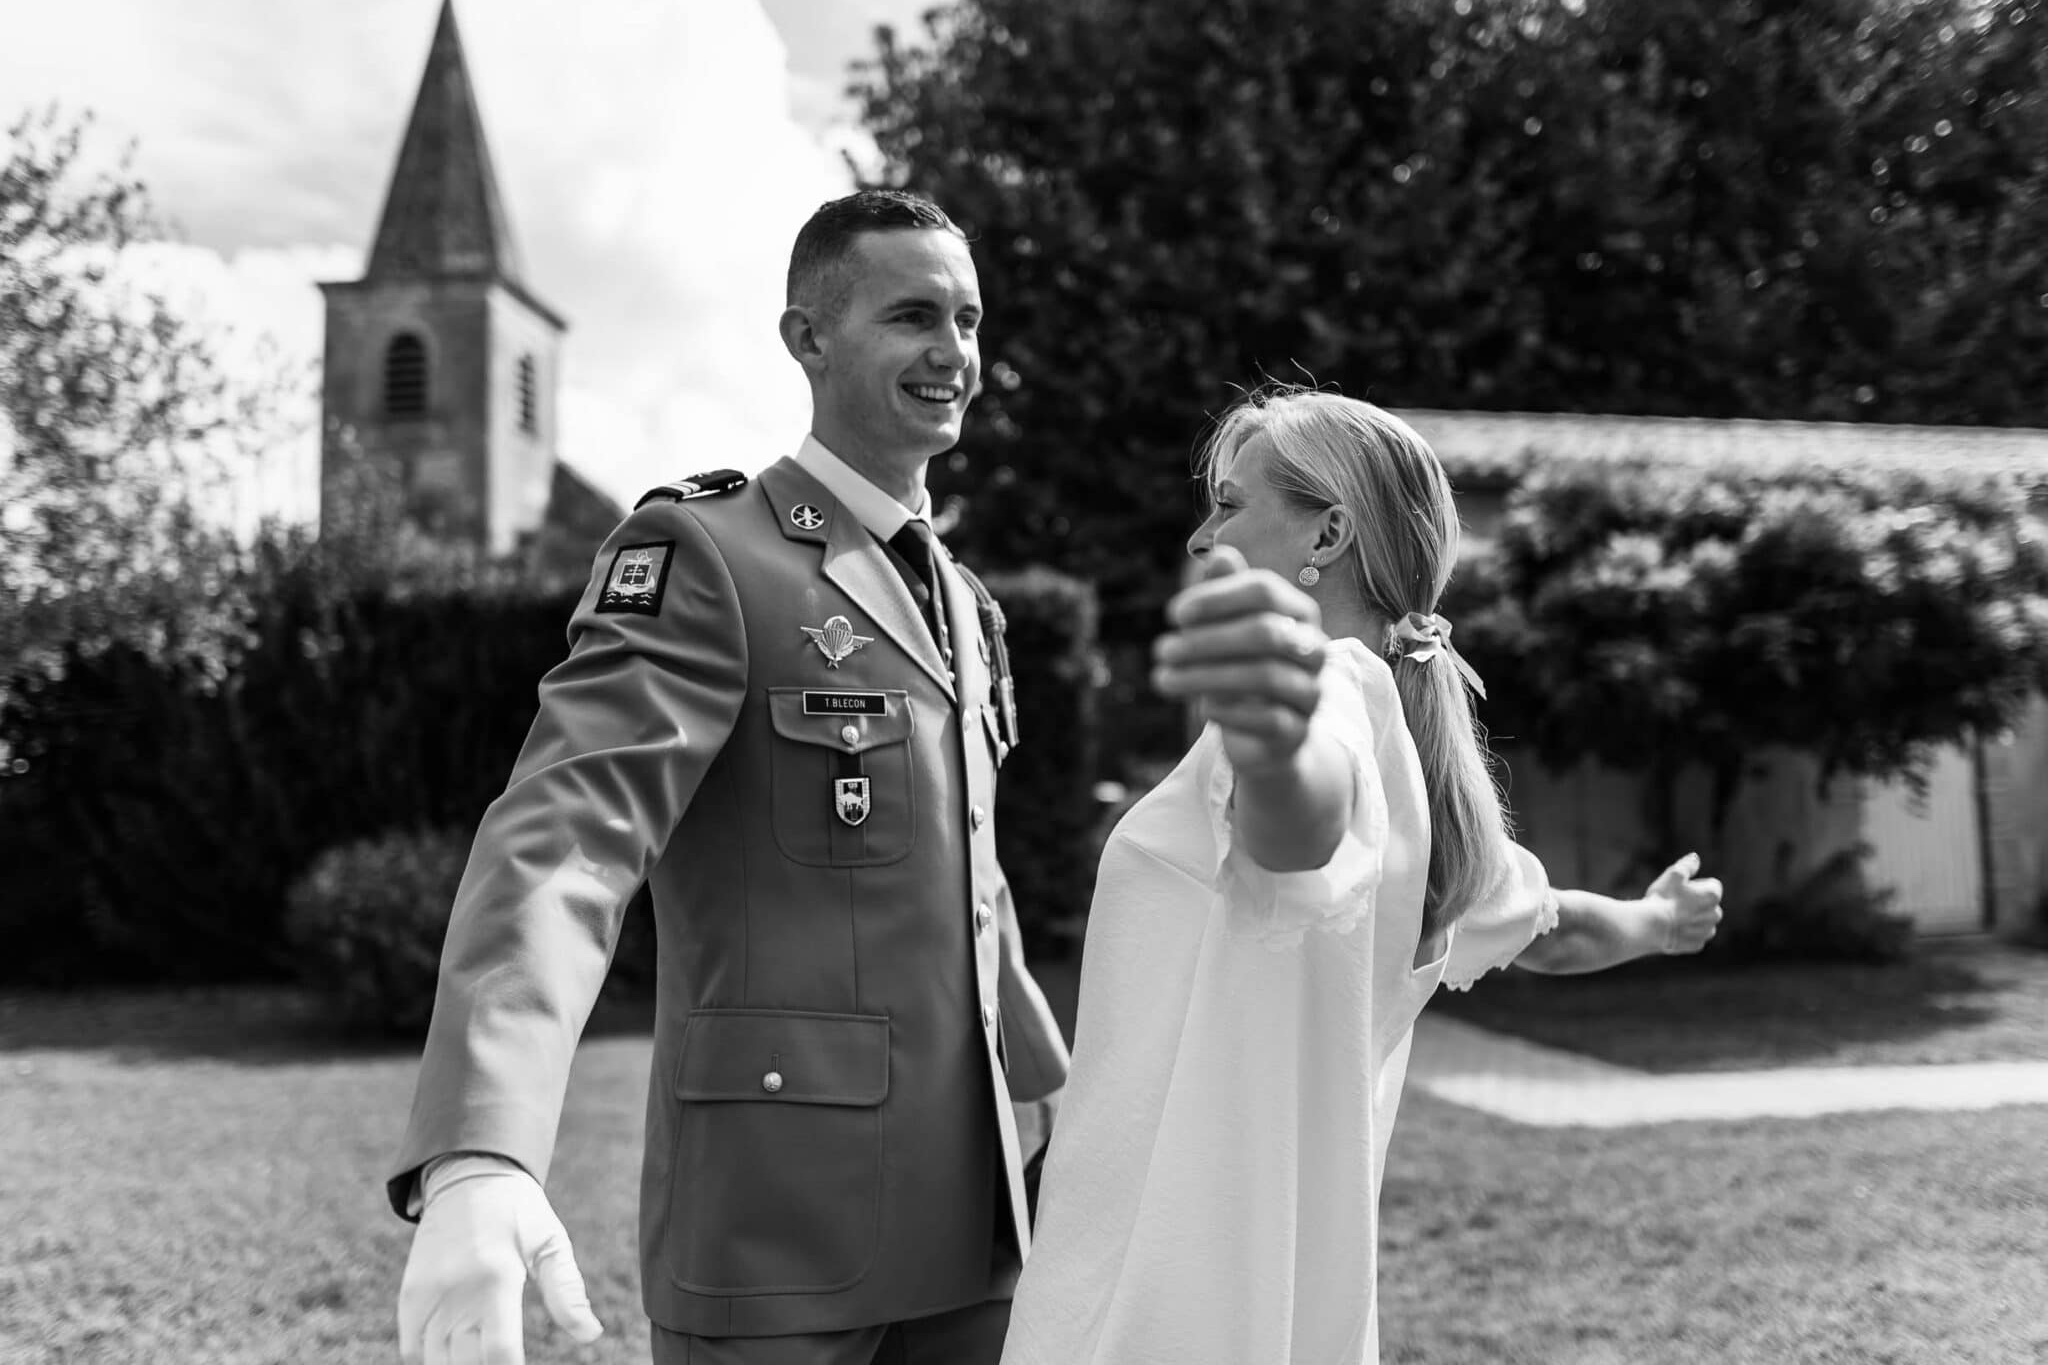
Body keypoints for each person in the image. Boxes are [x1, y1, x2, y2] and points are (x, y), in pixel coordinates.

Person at [390, 189, 1069, 1365]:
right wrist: (481, 1146)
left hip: (976, 1222)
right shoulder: (707, 554)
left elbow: (970, 871)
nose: (953, 354)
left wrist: (1052, 1086)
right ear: (807, 339)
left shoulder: (964, 603)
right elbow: (567, 837)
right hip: (775, 1232)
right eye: (912, 317)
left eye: (966, 321)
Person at [998, 387, 1722, 1365]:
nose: (1198, 532)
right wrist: (1653, 921)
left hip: (1162, 1291)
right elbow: (1554, 930)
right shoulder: (1418, 763)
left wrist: (1266, 734)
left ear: (1327, 532)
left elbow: (1299, 833)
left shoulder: (1331, 693)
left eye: (1228, 501)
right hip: (1269, 1298)